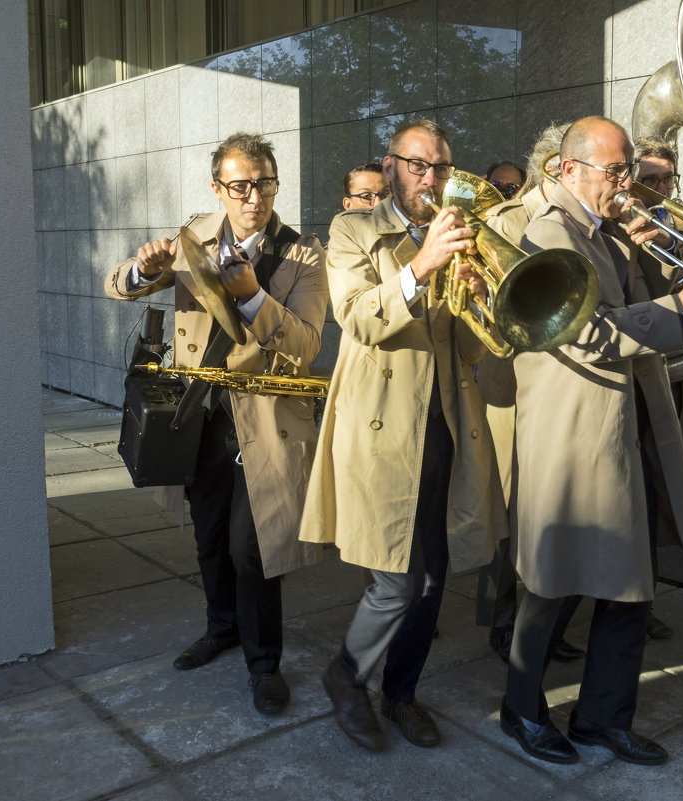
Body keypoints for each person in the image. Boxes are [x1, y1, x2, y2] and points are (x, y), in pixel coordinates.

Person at [500, 116, 683, 766]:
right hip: (573, 436)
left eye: (627, 168)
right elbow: (590, 335)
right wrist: (682, 306)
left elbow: (642, 315)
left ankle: (603, 715)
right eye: (615, 170)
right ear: (567, 169)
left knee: (631, 582)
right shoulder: (551, 231)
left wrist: (656, 261)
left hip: (617, 431)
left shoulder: (602, 232)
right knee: (552, 585)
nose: (626, 181)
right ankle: (520, 708)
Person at [298, 119, 506, 752]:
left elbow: (471, 349)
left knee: (435, 580)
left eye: (441, 167)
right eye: (418, 166)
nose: (432, 179)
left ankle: (402, 693)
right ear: (389, 168)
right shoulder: (352, 230)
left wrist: (477, 298)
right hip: (383, 425)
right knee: (396, 579)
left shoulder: (462, 236)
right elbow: (358, 318)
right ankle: (347, 675)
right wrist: (421, 266)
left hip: (444, 422)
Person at [104, 132, 329, 715]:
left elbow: (305, 343)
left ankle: (264, 663)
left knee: (253, 547)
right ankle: (221, 627)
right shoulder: (191, 238)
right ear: (218, 188)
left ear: (276, 184)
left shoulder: (303, 253)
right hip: (197, 411)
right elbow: (118, 286)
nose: (254, 197)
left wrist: (254, 296)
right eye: (240, 186)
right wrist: (140, 268)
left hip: (266, 417)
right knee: (208, 537)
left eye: (265, 185)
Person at [474, 123, 584, 664]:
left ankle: (540, 621)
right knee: (509, 507)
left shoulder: (580, 220)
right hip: (510, 385)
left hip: (559, 385)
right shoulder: (506, 219)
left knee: (548, 511)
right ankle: (501, 620)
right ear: (555, 168)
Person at [631, 134, 683, 641]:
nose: (661, 189)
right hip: (633, 373)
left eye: (667, 179)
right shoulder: (618, 230)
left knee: (661, 493)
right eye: (650, 180)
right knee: (632, 496)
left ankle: (642, 602)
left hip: (677, 375)